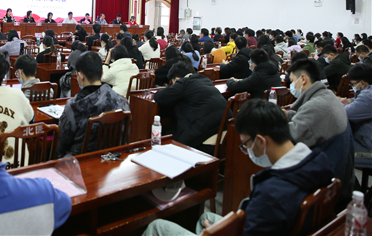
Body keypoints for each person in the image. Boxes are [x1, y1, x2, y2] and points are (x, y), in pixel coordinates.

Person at [142, 98, 334, 236]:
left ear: (261, 141)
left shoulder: (271, 192)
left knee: (157, 227)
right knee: (205, 217)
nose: (247, 151)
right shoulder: (318, 161)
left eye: (246, 144)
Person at [286, 59, 353, 207]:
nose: (291, 86)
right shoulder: (327, 96)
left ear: (303, 79)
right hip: (339, 175)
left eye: (292, 81)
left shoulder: (317, 106)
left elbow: (289, 138)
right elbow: (308, 120)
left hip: (326, 188)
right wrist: (287, 115)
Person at [57, 52, 130, 157]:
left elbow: (61, 145)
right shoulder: (122, 101)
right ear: (102, 74)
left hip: (81, 162)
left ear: (80, 76)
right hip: (114, 159)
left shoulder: (73, 106)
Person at [154, 62, 227, 154]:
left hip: (205, 140)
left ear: (177, 79)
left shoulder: (184, 82)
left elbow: (158, 96)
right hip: (225, 135)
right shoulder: (204, 79)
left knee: (168, 135)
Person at [340, 63, 372, 170]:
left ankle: (347, 181)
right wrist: (349, 102)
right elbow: (356, 102)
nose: (353, 87)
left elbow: (344, 113)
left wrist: (337, 103)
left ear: (362, 83)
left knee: (336, 155)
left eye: (353, 84)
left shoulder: (368, 97)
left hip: (368, 152)